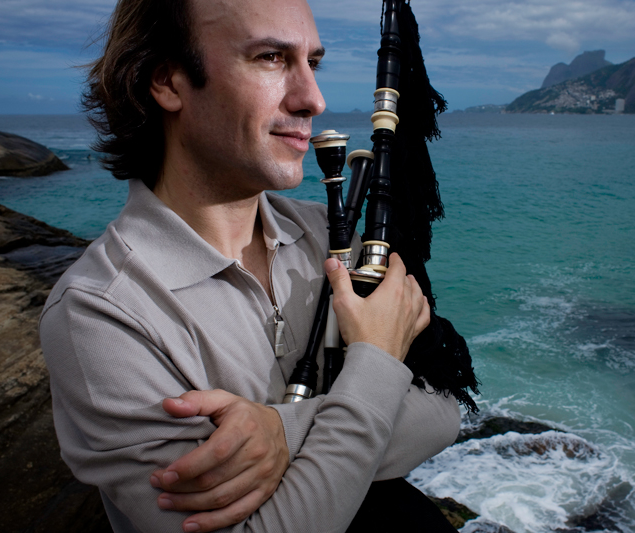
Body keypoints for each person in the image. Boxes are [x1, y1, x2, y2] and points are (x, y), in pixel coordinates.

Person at [39, 0, 462, 532]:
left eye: (314, 62)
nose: (313, 98)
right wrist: (377, 361)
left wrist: (281, 430)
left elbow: (445, 405)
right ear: (168, 81)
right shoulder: (99, 315)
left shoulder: (330, 237)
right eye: (269, 57)